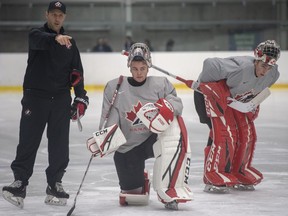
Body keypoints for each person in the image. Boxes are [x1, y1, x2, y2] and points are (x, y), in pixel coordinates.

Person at [2, 1, 89, 208]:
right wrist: (54, 38)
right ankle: (20, 183)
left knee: (59, 145)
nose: (57, 18)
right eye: (53, 14)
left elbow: (77, 72)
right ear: (47, 14)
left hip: (59, 99)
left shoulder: (70, 44)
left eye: (60, 15)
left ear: (64, 17)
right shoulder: (36, 35)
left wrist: (80, 97)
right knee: (28, 141)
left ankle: (54, 184)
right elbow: (38, 39)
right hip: (35, 98)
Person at [98, 43, 192, 210]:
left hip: (154, 138)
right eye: (135, 68)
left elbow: (177, 105)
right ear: (129, 68)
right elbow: (109, 121)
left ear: (148, 67)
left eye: (142, 68)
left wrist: (165, 108)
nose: (139, 72)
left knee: (174, 127)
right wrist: (105, 139)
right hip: (129, 146)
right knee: (134, 196)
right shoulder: (115, 87)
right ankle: (138, 177)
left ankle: (170, 187)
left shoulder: (160, 84)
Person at [193, 40, 281, 193]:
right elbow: (209, 64)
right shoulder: (240, 68)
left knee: (246, 134)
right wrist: (213, 90)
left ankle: (238, 170)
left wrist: (252, 104)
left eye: (269, 67)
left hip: (232, 102)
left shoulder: (273, 74)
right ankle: (212, 175)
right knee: (222, 133)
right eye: (263, 66)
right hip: (206, 96)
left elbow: (257, 89)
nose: (265, 71)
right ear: (256, 60)